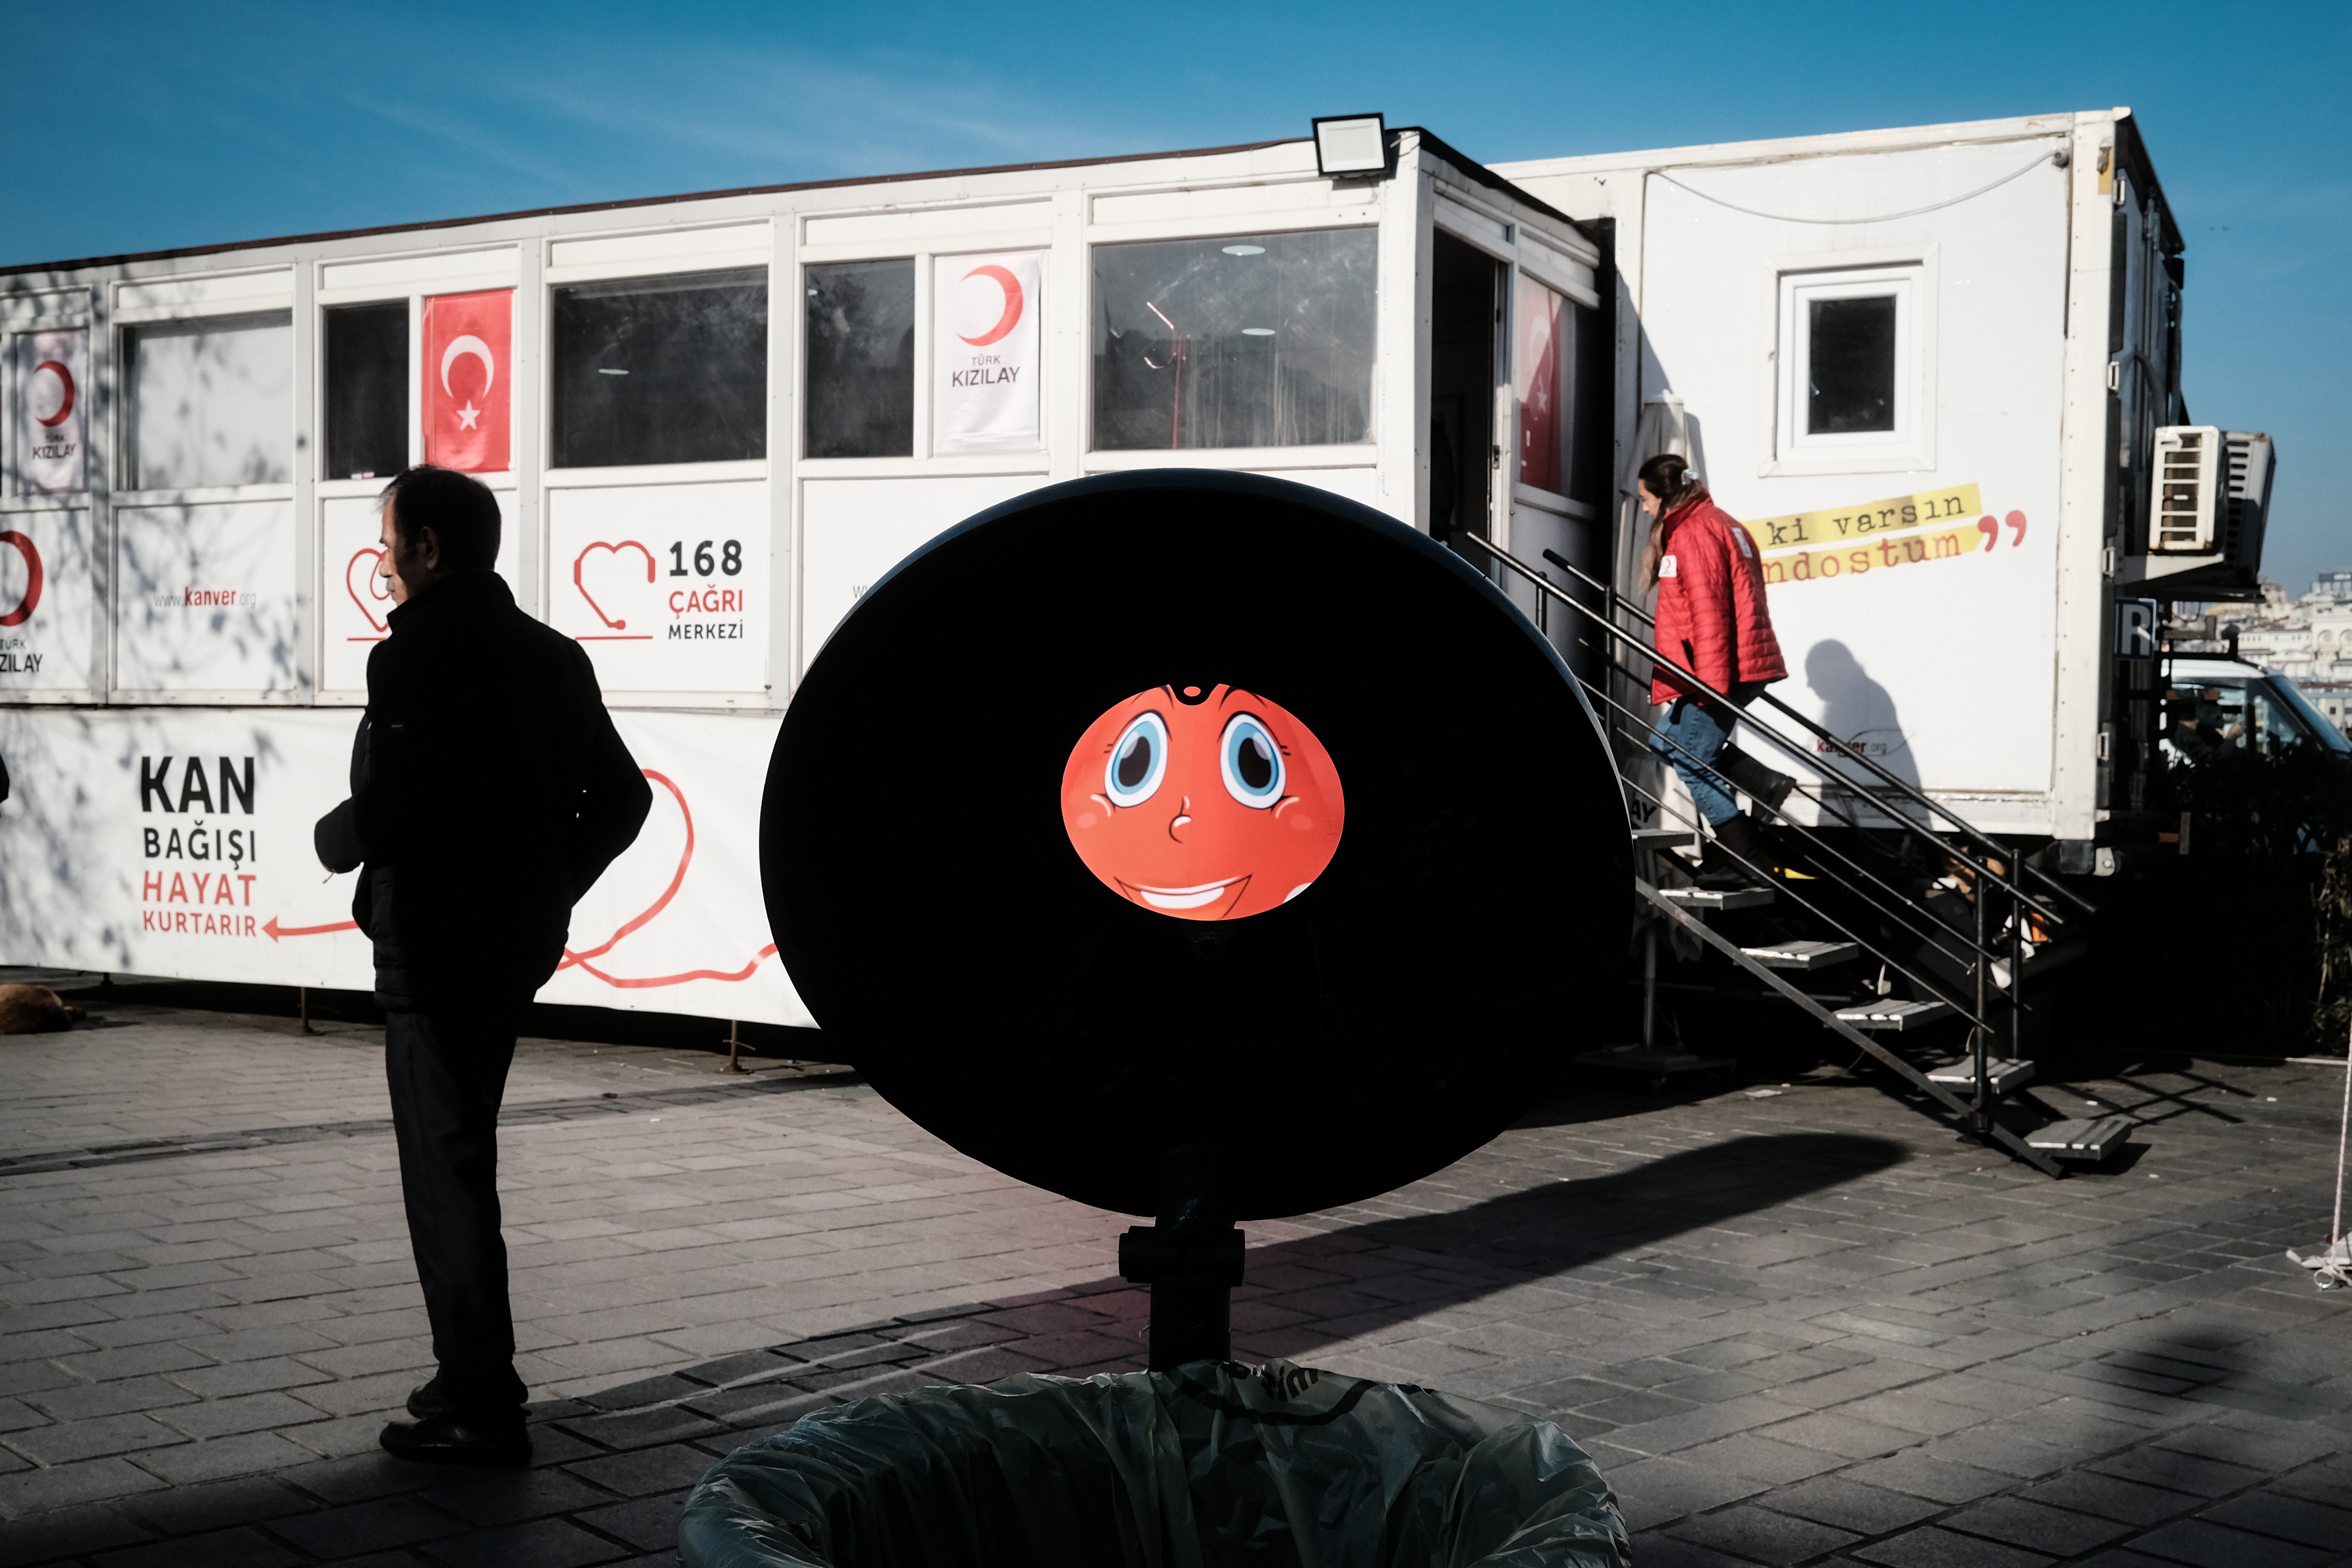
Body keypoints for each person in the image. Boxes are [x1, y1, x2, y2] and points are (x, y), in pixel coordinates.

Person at [315, 466, 650, 1467]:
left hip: (432, 947)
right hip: (510, 948)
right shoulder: (551, 654)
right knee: (465, 1159)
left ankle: (479, 1400)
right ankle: (467, 1369)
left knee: (448, 1173)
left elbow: (411, 799)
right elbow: (624, 800)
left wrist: (339, 838)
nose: (379, 560)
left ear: (426, 547)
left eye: (388, 540)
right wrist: (550, 891)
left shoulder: (418, 652)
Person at [1636, 453, 1793, 883]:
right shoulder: (1719, 521)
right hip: (1729, 665)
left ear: (1665, 496)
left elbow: (1710, 614)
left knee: (1690, 760)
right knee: (1663, 740)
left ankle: (1745, 858)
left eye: (1645, 499)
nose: (1644, 508)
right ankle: (1764, 782)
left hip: (1718, 670)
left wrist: (1707, 686)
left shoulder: (1692, 533)